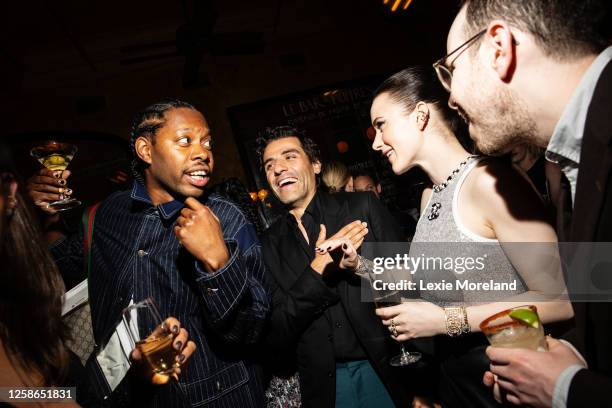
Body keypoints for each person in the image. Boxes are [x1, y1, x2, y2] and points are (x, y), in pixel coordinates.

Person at [320, 66, 573, 407]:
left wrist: (444, 320)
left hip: (510, 374)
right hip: (455, 374)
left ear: (420, 115)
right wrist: (358, 265)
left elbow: (559, 300)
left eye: (381, 126)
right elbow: (427, 275)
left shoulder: (492, 182)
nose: (377, 143)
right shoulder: (430, 196)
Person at [27, 99, 269, 407]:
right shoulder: (107, 214)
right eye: (185, 141)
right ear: (145, 150)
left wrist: (219, 263)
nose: (203, 153)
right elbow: (56, 272)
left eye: (207, 142)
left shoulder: (227, 218)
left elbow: (252, 332)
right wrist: (41, 215)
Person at [441, 1, 612, 406]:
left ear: (499, 47)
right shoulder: (576, 158)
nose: (449, 99)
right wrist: (574, 358)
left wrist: (568, 389)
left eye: (451, 71)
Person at [255, 125, 414, 408]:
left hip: (385, 368)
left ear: (315, 165)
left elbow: (410, 285)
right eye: (270, 165)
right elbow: (276, 331)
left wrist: (423, 384)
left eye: (289, 156)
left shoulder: (361, 207)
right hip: (326, 387)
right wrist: (318, 270)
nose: (279, 168)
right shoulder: (267, 244)